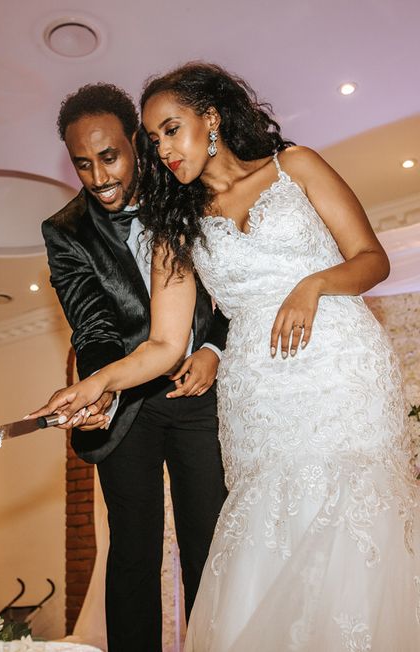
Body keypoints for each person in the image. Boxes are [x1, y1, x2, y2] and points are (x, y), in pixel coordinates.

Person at [32, 63, 420, 651]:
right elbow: (163, 345)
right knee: (271, 529)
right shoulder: (176, 224)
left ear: (210, 118)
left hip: (340, 366)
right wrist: (95, 386)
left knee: (353, 517)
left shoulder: (296, 166)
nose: (160, 148)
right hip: (258, 392)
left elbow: (372, 259)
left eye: (170, 129)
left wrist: (311, 285)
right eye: (154, 137)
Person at [41, 83, 229, 651]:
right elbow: (93, 326)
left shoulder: (188, 192)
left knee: (209, 544)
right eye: (83, 164)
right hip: (126, 405)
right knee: (133, 551)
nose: (98, 176)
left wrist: (213, 350)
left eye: (110, 156)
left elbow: (233, 291)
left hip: (197, 395)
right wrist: (101, 390)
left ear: (136, 145)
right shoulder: (64, 231)